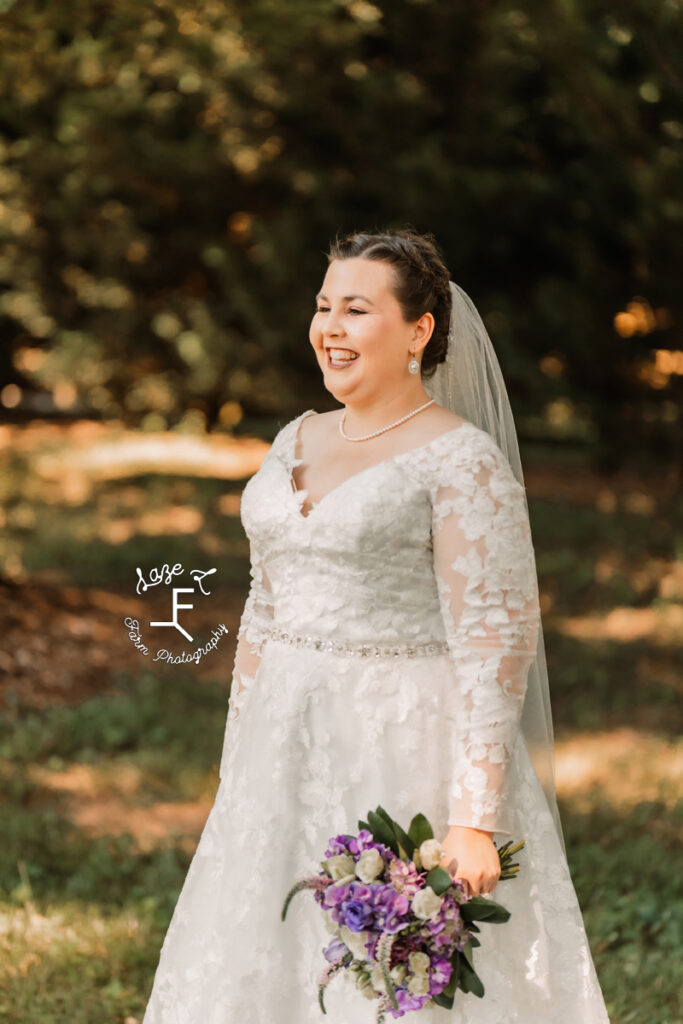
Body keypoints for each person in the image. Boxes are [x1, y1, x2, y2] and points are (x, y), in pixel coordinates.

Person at [141, 228, 611, 1022]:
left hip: (401, 738)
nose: (329, 326)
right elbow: (263, 601)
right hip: (281, 738)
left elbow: (494, 640)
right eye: (323, 306)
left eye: (355, 309)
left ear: (418, 332)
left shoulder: (458, 461)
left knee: (392, 974)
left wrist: (471, 819)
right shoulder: (295, 436)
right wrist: (240, 749)